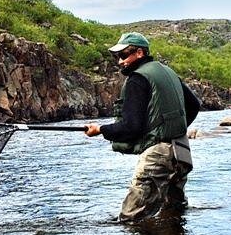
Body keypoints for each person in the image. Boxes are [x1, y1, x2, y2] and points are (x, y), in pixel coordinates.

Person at [85, 32, 201, 223]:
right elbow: (194, 105)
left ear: (139, 53)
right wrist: (170, 129)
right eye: (117, 57)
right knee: (173, 215)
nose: (120, 62)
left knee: (130, 218)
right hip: (182, 151)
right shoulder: (168, 72)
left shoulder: (137, 79)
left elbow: (131, 127)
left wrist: (100, 130)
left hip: (158, 156)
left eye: (123, 55)